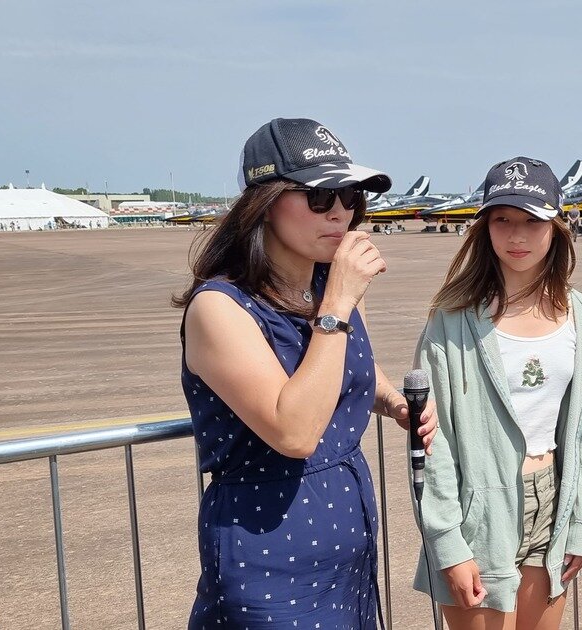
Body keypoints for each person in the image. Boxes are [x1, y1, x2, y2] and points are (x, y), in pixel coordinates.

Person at [175, 117, 437, 629]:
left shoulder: (321, 288)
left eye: (350, 198)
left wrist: (393, 402)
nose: (340, 213)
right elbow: (292, 431)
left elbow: (347, 366)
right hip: (269, 544)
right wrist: (338, 302)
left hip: (347, 540)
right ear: (266, 202)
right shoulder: (220, 308)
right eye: (320, 198)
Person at [413, 157, 582, 630]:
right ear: (485, 228)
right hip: (478, 510)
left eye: (532, 221)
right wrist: (447, 542)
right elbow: (431, 441)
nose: (517, 236)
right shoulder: (451, 320)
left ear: (556, 226)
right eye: (503, 220)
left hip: (553, 500)